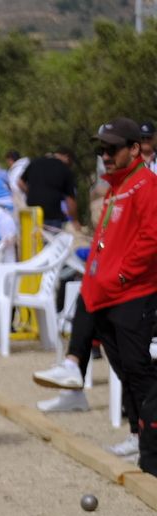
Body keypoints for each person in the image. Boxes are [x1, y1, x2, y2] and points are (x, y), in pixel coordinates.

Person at [81, 118, 157, 473]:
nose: (106, 156)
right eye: (102, 150)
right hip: (111, 293)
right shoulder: (117, 186)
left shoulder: (146, 184)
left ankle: (150, 447)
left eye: (112, 149)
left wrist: (123, 273)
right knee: (125, 369)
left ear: (135, 149)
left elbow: (152, 238)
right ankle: (137, 435)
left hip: (134, 292)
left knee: (138, 371)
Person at [21, 147, 79, 229]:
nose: (70, 165)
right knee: (52, 237)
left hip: (32, 212)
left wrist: (30, 192)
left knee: (32, 236)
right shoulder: (65, 169)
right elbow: (70, 200)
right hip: (52, 216)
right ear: (67, 157)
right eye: (71, 163)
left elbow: (20, 182)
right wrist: (75, 220)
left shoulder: (35, 162)